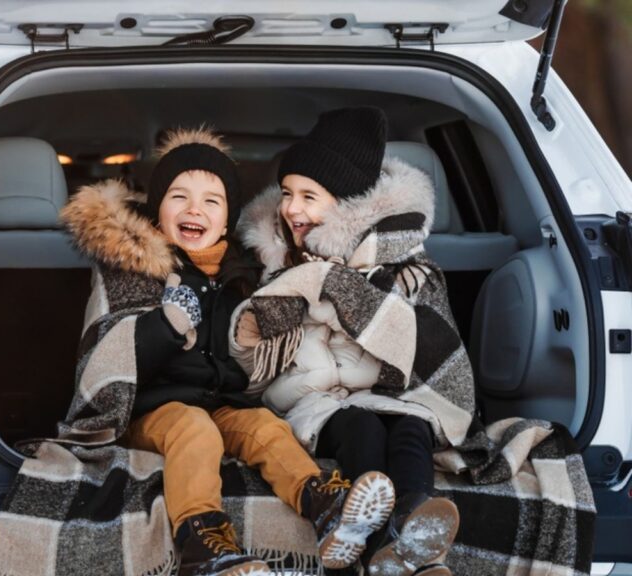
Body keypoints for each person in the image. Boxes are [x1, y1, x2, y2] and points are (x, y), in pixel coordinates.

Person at [59, 127, 395, 576]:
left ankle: (324, 504)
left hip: (223, 402)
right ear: (157, 212)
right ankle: (203, 543)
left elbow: (256, 351)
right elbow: (110, 357)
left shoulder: (243, 273)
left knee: (265, 427)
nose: (194, 209)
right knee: (194, 428)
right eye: (179, 197)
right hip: (151, 409)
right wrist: (165, 326)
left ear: (226, 221)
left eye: (212, 201)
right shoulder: (135, 269)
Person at [233, 107, 462, 576]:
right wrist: (311, 288)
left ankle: (412, 526)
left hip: (386, 394)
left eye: (309, 197)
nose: (292, 209)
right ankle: (380, 543)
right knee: (362, 428)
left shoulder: (403, 268)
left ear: (348, 205)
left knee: (411, 428)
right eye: (287, 194)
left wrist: (345, 292)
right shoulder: (273, 264)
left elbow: (425, 345)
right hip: (311, 399)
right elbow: (250, 349)